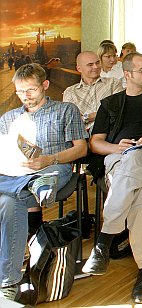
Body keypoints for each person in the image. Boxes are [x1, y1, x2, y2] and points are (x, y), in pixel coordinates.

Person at [81, 53, 142, 302]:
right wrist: (118, 148)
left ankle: (103, 240)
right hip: (119, 159)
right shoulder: (110, 103)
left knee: (135, 160)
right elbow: (95, 143)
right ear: (127, 74)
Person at [0, 64, 87, 302]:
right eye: (20, 91)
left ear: (45, 86)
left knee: (9, 201)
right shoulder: (9, 118)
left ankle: (7, 281)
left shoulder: (65, 110)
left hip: (55, 165)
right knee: (10, 201)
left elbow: (81, 149)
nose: (26, 96)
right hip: (17, 172)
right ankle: (33, 185)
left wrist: (50, 158)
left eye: (31, 89)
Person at [63, 51, 124, 133]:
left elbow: (118, 110)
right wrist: (101, 114)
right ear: (79, 69)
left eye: (98, 63)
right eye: (90, 64)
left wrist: (87, 117)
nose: (96, 67)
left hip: (110, 133)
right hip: (82, 137)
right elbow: (70, 121)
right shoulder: (71, 92)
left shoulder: (113, 83)